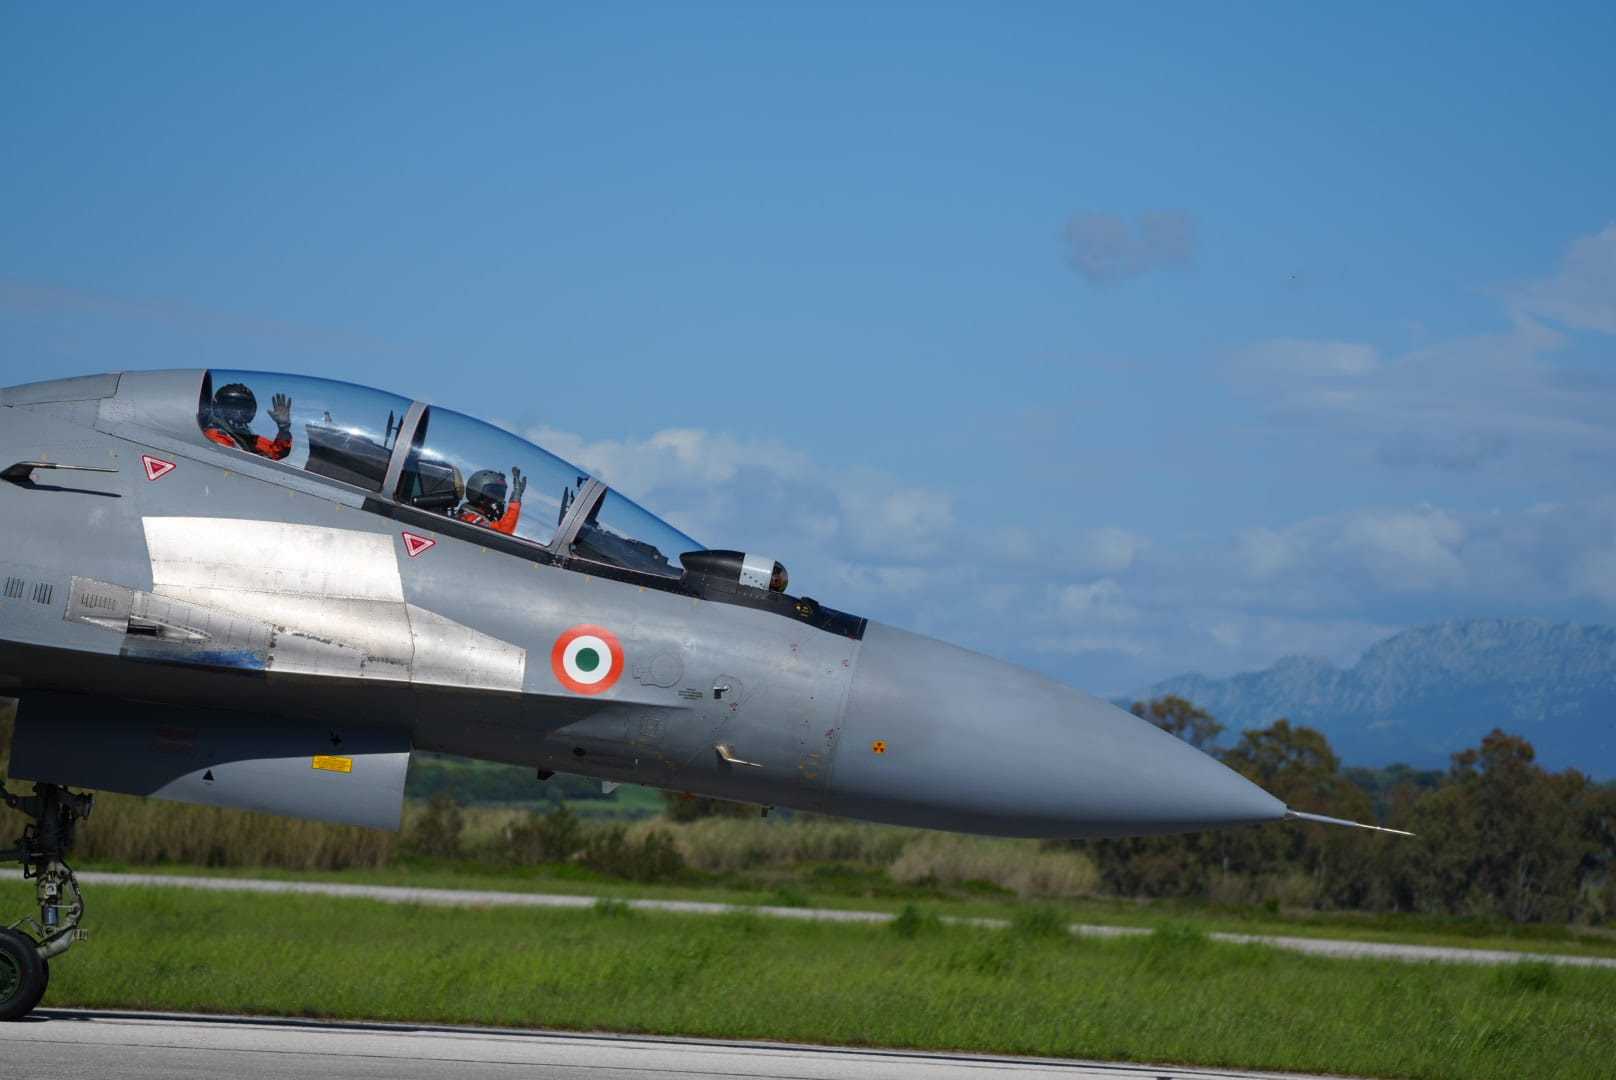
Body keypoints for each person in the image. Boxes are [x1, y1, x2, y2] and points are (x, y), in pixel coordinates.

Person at [201, 383, 293, 461]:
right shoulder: (216, 437)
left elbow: (275, 452)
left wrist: (284, 428)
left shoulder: (245, 438)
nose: (240, 413)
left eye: (245, 408)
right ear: (220, 408)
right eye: (235, 408)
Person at [457, 466, 526, 535]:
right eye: (494, 493)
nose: (498, 499)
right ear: (478, 491)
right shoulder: (470, 517)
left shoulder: (482, 516)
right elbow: (501, 534)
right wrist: (515, 503)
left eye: (501, 494)